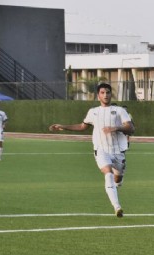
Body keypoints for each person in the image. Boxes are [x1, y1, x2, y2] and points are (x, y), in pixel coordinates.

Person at [49, 83, 135, 217]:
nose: (105, 95)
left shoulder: (119, 111)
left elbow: (131, 129)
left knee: (117, 178)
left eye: (107, 92)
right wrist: (63, 126)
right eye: (102, 93)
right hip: (101, 150)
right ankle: (117, 207)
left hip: (118, 151)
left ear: (111, 94)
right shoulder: (93, 111)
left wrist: (116, 128)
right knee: (108, 174)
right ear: (98, 95)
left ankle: (118, 182)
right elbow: (82, 126)